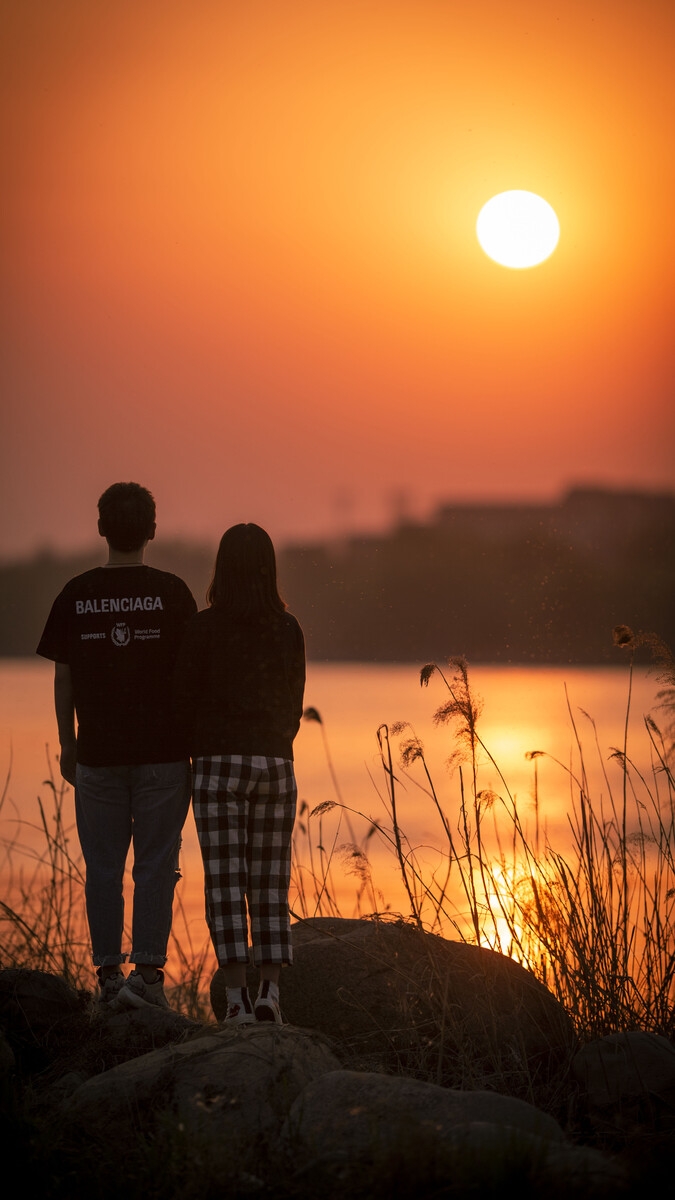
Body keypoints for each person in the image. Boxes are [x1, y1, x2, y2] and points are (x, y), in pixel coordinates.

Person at [36, 482, 197, 1009]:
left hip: (97, 756)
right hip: (165, 757)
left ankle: (107, 980)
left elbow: (65, 682)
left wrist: (68, 744)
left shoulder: (75, 594)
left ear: (101, 528)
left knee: (102, 868)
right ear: (152, 530)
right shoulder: (174, 594)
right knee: (156, 865)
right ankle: (148, 979)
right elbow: (191, 680)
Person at [174, 523, 305, 1025]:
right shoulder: (288, 628)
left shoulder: (202, 629)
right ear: (269, 570)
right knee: (271, 881)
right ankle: (270, 991)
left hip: (217, 765)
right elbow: (294, 704)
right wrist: (272, 745)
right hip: (275, 764)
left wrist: (200, 751)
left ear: (221, 569)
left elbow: (183, 702)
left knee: (225, 883)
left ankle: (235, 1002)